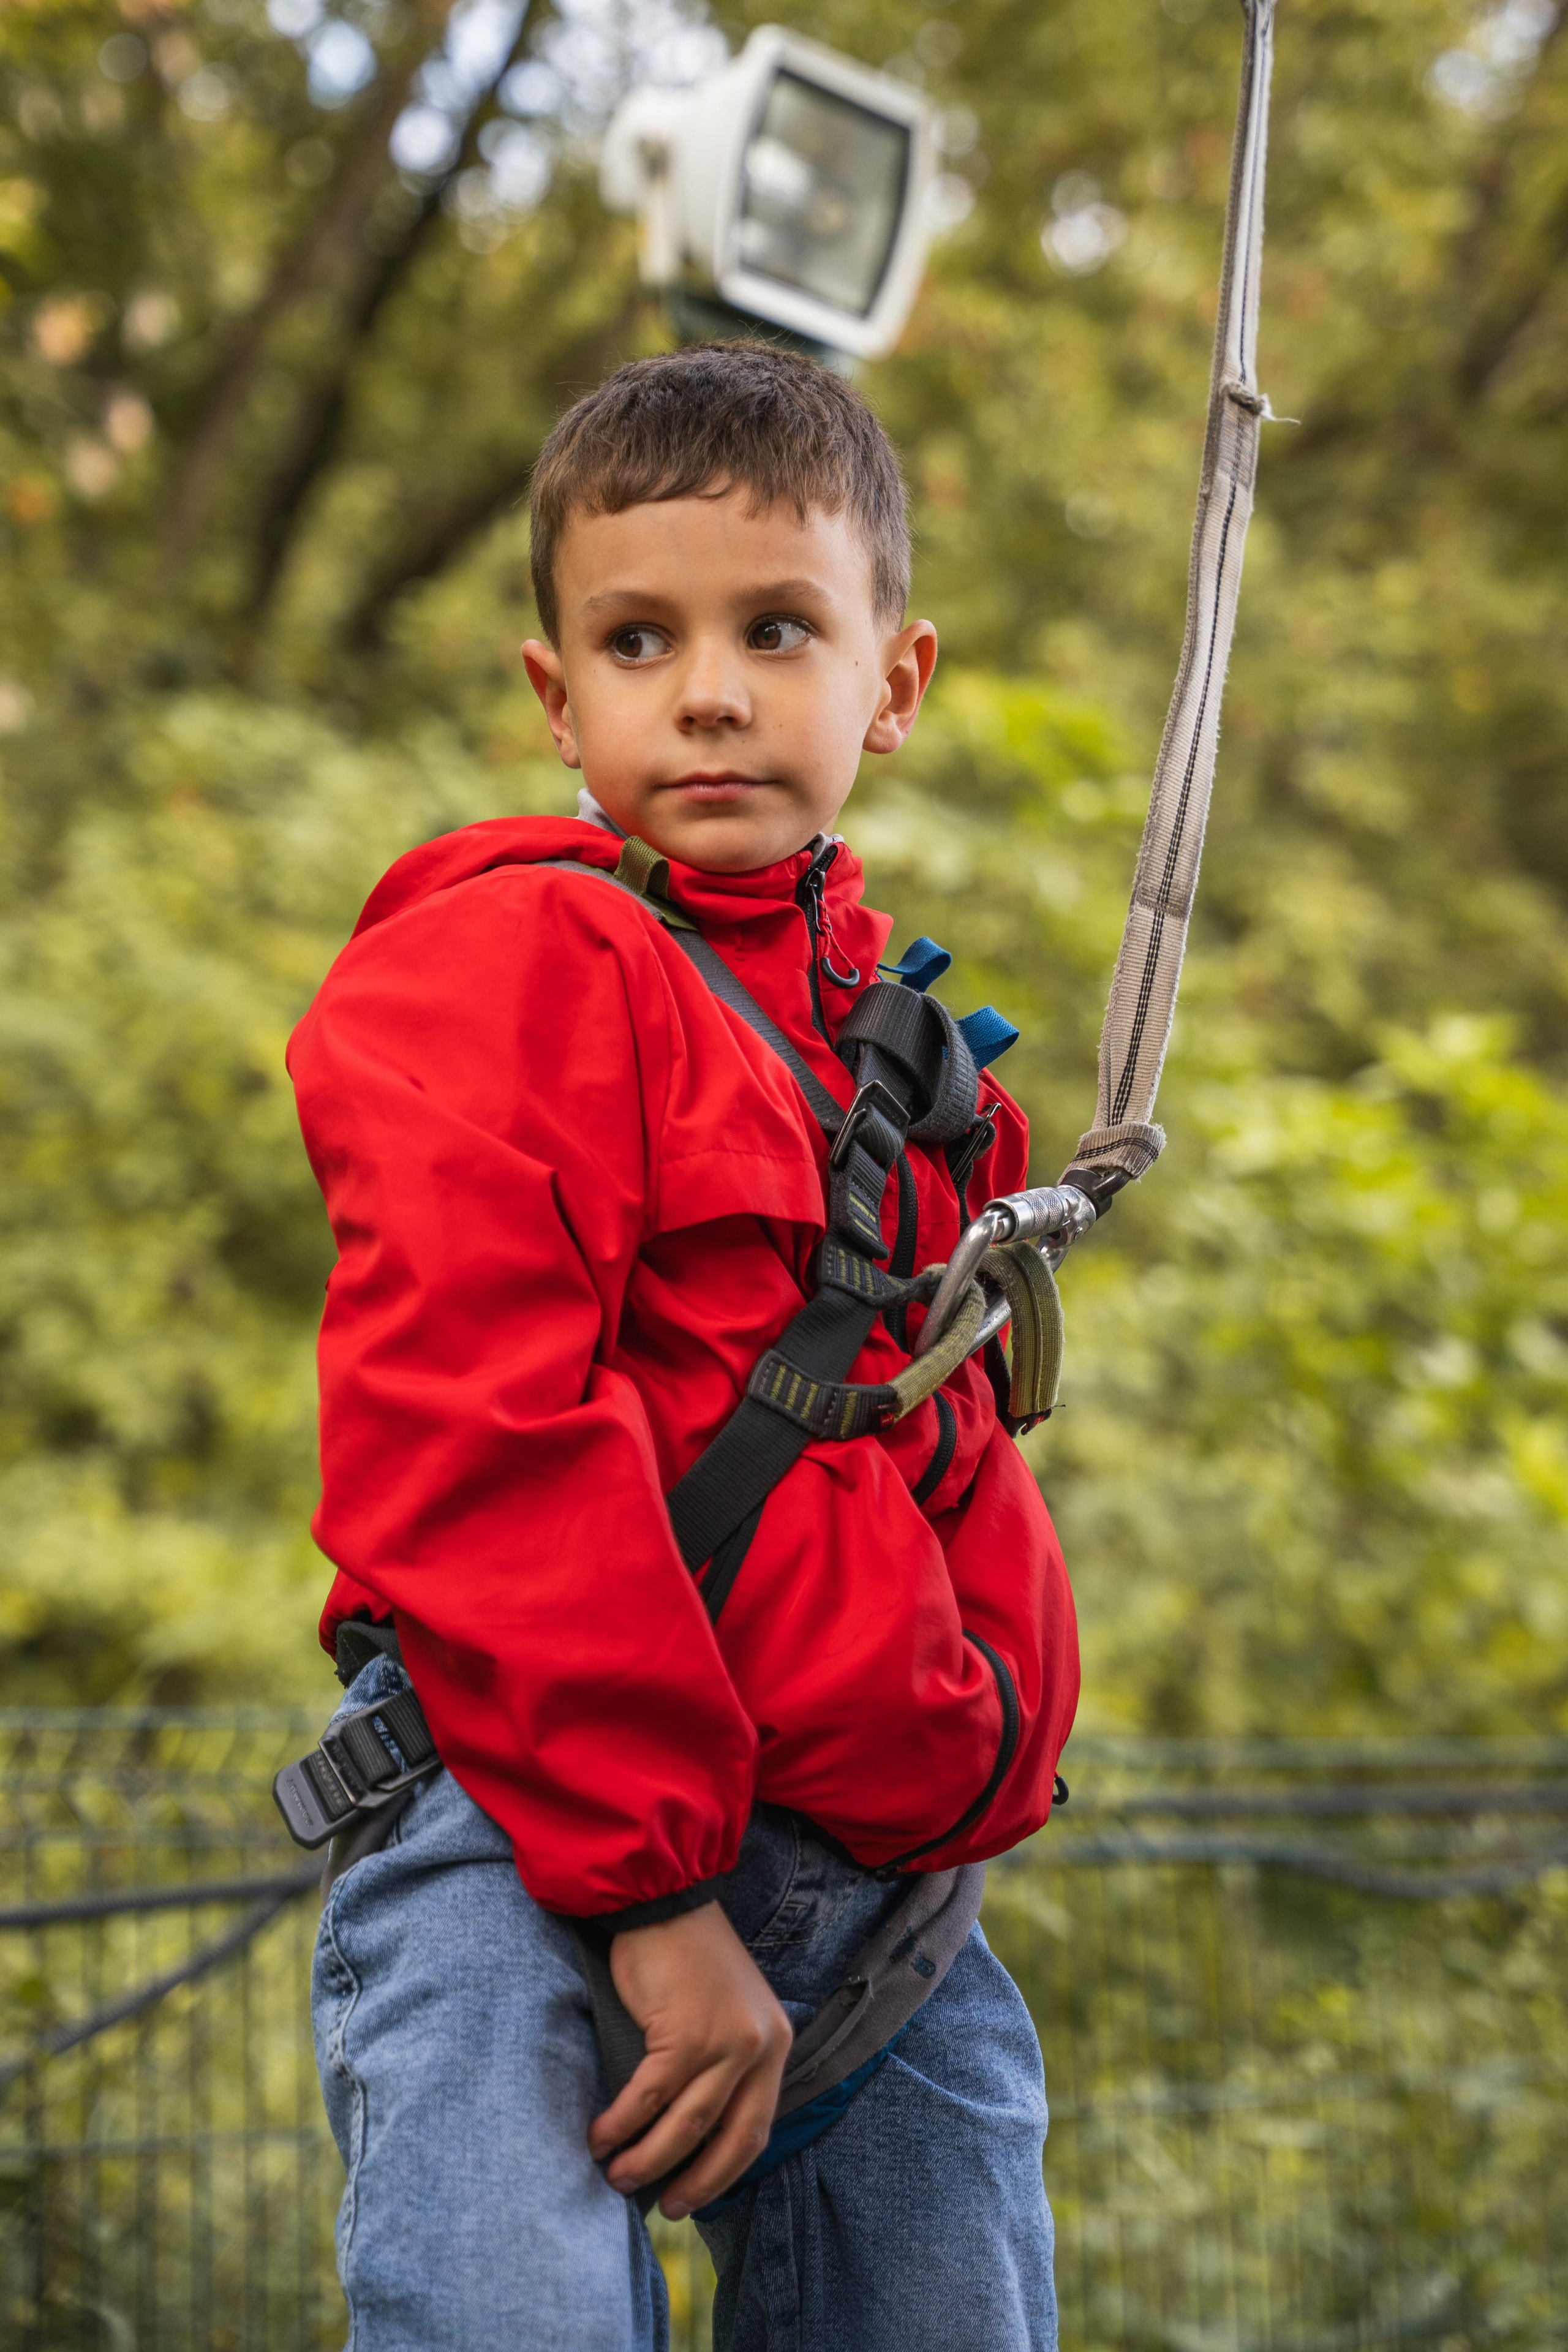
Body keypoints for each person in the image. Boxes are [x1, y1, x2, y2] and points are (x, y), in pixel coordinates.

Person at [288, 341, 1079, 2352]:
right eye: (638, 640)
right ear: (559, 695)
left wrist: (975, 1741)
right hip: (528, 1840)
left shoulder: (891, 1060)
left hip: (873, 1902)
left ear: (894, 679)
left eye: (777, 628)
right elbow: (471, 1439)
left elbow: (929, 1457)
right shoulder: (509, 962)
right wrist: (651, 1902)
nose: (709, 692)